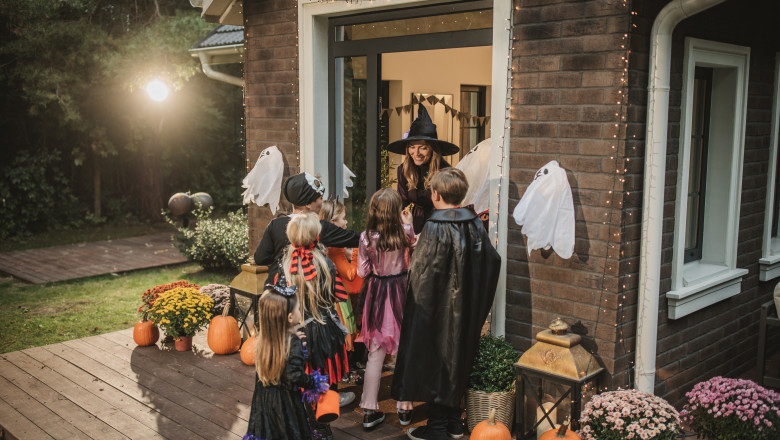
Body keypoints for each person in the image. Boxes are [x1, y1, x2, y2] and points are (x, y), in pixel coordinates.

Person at [391, 168, 501, 440]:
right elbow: (492, 261)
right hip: (466, 310)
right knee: (458, 360)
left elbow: (422, 273)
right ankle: (453, 423)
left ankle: (438, 428)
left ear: (436, 195)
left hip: (437, 312)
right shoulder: (474, 223)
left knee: (438, 363)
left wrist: (417, 308)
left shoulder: (434, 226)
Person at [281, 213, 355, 413]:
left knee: (303, 373)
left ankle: (305, 415)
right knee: (326, 374)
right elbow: (332, 301)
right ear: (315, 235)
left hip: (298, 331)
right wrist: (343, 328)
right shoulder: (325, 264)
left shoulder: (287, 266)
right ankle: (325, 418)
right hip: (323, 328)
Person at [355, 188, 416, 431]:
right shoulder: (405, 232)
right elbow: (415, 245)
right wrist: (409, 223)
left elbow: (361, 271)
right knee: (404, 351)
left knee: (375, 352)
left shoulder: (365, 238)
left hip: (378, 294)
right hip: (401, 291)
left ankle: (369, 410)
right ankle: (404, 407)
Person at [244, 284, 329, 440]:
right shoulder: (292, 343)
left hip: (265, 403)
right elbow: (293, 375)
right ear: (290, 317)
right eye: (298, 309)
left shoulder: (264, 341)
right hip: (286, 405)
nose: (300, 311)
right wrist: (314, 382)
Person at [254, 172, 360, 282]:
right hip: (307, 288)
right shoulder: (319, 227)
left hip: (278, 287)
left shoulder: (275, 224)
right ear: (309, 204)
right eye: (320, 198)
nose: (322, 202)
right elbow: (355, 238)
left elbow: (260, 258)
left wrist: (282, 258)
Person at [386, 105, 460, 234]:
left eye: (423, 147)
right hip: (411, 225)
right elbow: (402, 202)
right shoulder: (403, 170)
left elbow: (444, 209)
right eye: (412, 147)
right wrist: (406, 227)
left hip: (440, 227)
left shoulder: (446, 173)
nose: (416, 152)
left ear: (432, 148)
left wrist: (424, 236)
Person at [319, 198, 364, 384]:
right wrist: (355, 252)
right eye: (342, 219)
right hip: (338, 300)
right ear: (332, 223)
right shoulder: (334, 246)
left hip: (329, 297)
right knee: (342, 335)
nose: (346, 222)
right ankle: (342, 374)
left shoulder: (325, 243)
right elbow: (352, 276)